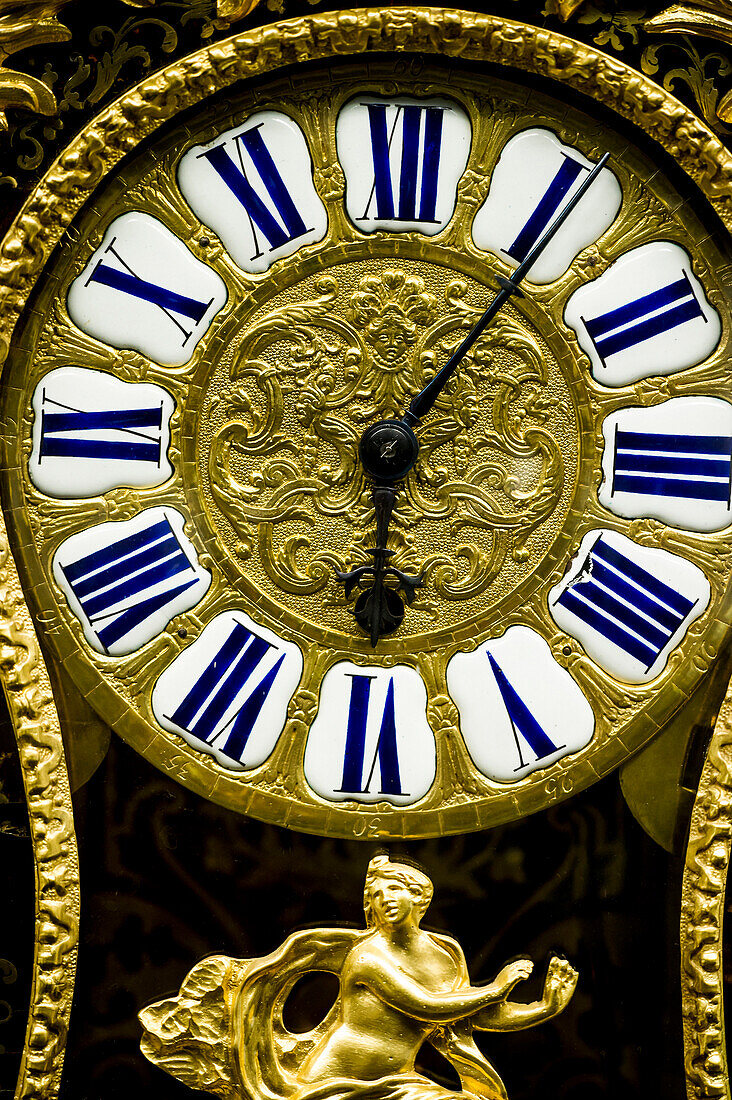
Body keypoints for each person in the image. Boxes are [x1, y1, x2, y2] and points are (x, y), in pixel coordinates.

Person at [139, 855, 578, 1100]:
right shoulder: (367, 956)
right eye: (377, 894)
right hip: (334, 1086)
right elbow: (423, 1007)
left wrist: (544, 1007)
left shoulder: (446, 954)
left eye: (396, 891)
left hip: (400, 1084)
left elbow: (467, 1020)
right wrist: (498, 986)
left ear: (420, 898)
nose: (385, 900)